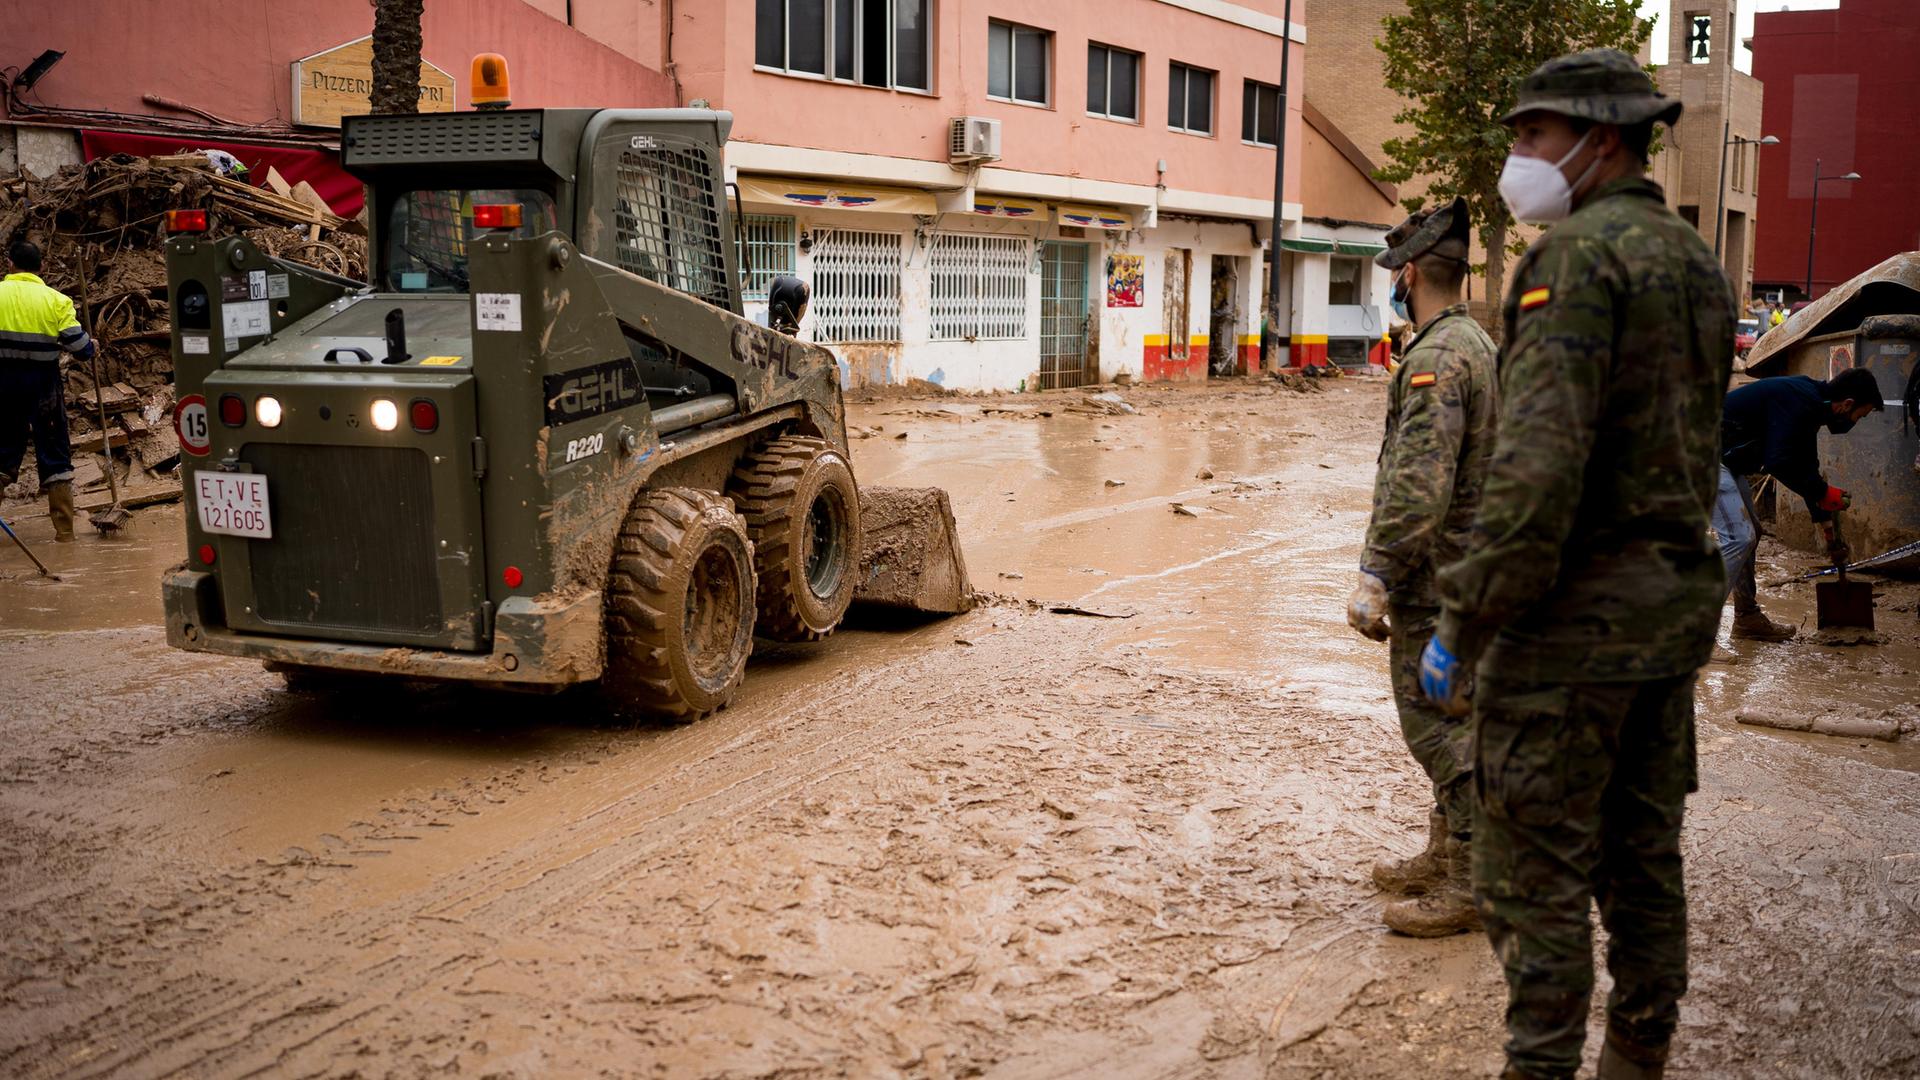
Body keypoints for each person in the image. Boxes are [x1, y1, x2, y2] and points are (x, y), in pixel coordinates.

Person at [1417, 50, 1732, 1080]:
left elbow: (1537, 470)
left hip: (1572, 631)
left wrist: (1461, 623)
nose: (1516, 154)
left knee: (1535, 868)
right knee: (1645, 858)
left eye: (1531, 135)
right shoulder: (1694, 260)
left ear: (1599, 140)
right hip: (1672, 619)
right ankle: (1639, 1056)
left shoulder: (1575, 260)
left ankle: (1540, 1065)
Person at [1345, 197, 1498, 938]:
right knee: (1452, 715)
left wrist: (1376, 574)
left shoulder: (1436, 358)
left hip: (1439, 580)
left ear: (1408, 276)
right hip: (1471, 572)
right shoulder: (1473, 340)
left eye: (1394, 277)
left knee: (1436, 729)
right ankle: (1447, 858)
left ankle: (1473, 883)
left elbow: (1419, 485)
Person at [1714, 367, 1884, 640]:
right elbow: (1778, 461)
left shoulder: (1811, 403)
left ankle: (1747, 618)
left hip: (1725, 462)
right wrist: (1823, 491)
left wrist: (1828, 532)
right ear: (1847, 404)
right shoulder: (1800, 401)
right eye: (1859, 416)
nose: (1855, 422)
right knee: (1739, 537)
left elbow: (1807, 469)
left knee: (1750, 534)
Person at [1, 239, 93, 542]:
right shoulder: (56, 300)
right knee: (54, 452)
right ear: (42, 267)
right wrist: (92, 347)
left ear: (10, 265)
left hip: (3, 385)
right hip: (44, 388)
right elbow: (79, 348)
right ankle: (65, 534)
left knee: (1, 453)